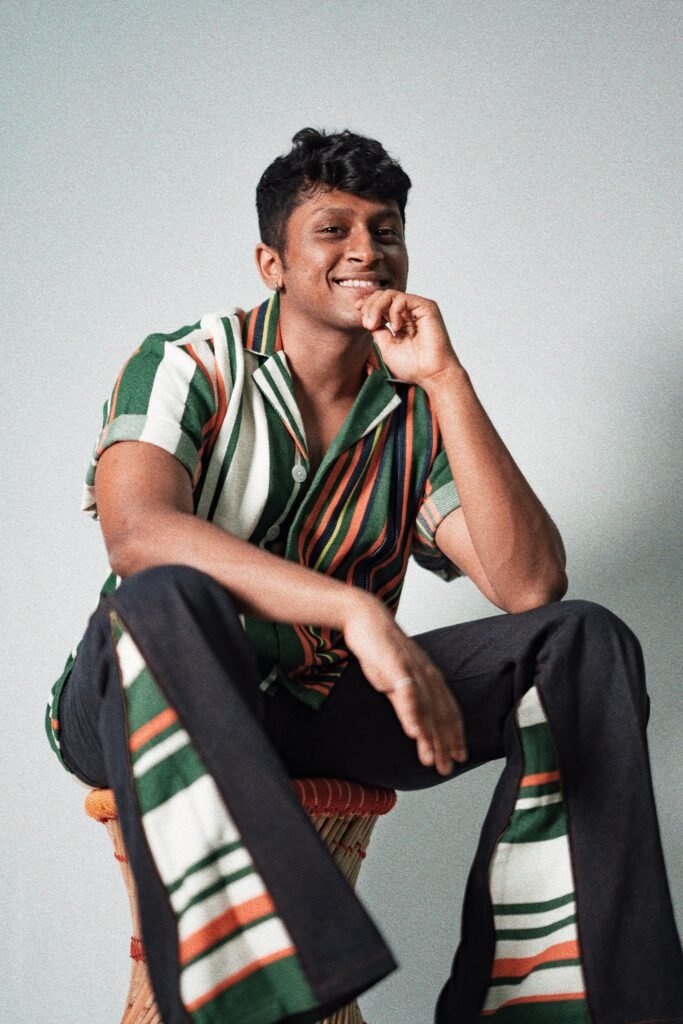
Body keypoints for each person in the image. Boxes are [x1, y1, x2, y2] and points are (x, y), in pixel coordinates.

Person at [46, 128, 682, 1024]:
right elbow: (138, 534)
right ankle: (263, 993)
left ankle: (559, 1005)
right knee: (165, 594)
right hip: (147, 695)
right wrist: (353, 610)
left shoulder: (412, 410)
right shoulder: (189, 363)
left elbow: (529, 586)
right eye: (332, 229)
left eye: (385, 231)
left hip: (312, 711)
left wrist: (446, 379)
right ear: (271, 263)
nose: (366, 250)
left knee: (579, 640)